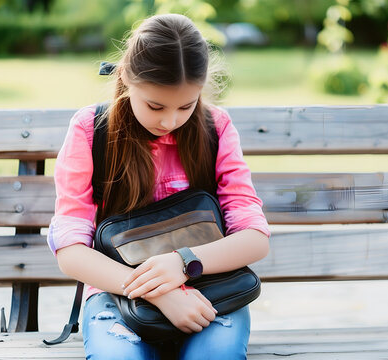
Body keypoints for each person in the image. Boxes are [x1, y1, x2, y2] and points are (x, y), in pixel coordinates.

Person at [46, 13, 270, 360]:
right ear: (126, 78)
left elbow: (254, 239)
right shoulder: (92, 131)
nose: (170, 121)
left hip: (211, 291)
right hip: (117, 295)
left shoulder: (216, 129)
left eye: (185, 105)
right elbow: (71, 250)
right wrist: (161, 292)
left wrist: (182, 264)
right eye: (155, 105)